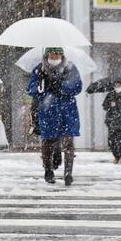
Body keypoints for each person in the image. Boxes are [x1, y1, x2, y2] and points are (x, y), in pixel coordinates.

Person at [28, 47, 82, 186]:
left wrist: (62, 86)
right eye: (52, 54)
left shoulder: (70, 68)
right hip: (48, 110)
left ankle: (68, 173)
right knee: (48, 141)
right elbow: (32, 88)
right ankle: (48, 170)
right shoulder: (39, 70)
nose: (55, 57)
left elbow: (77, 86)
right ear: (47, 55)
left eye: (58, 54)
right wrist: (43, 87)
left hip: (67, 111)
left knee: (68, 142)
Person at [102, 80, 121, 164]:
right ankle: (116, 155)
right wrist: (109, 105)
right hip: (111, 121)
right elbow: (104, 106)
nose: (117, 87)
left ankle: (119, 157)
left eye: (119, 85)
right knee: (111, 141)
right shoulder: (110, 95)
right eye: (116, 85)